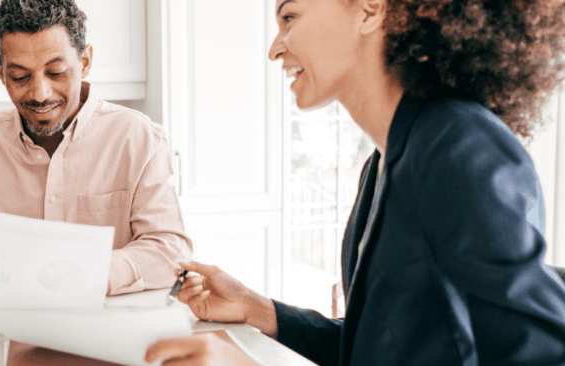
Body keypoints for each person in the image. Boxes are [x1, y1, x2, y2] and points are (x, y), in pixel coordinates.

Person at [146, 0, 565, 364]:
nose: (276, 47)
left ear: (370, 10)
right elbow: (375, 349)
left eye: (289, 17)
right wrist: (256, 308)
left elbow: (542, 355)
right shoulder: (383, 162)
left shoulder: (457, 143)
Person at [0, 0, 193, 340]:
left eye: (56, 72)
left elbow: (169, 248)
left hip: (108, 339)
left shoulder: (140, 138)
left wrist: (82, 274)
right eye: (20, 76)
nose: (40, 93)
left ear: (84, 62)